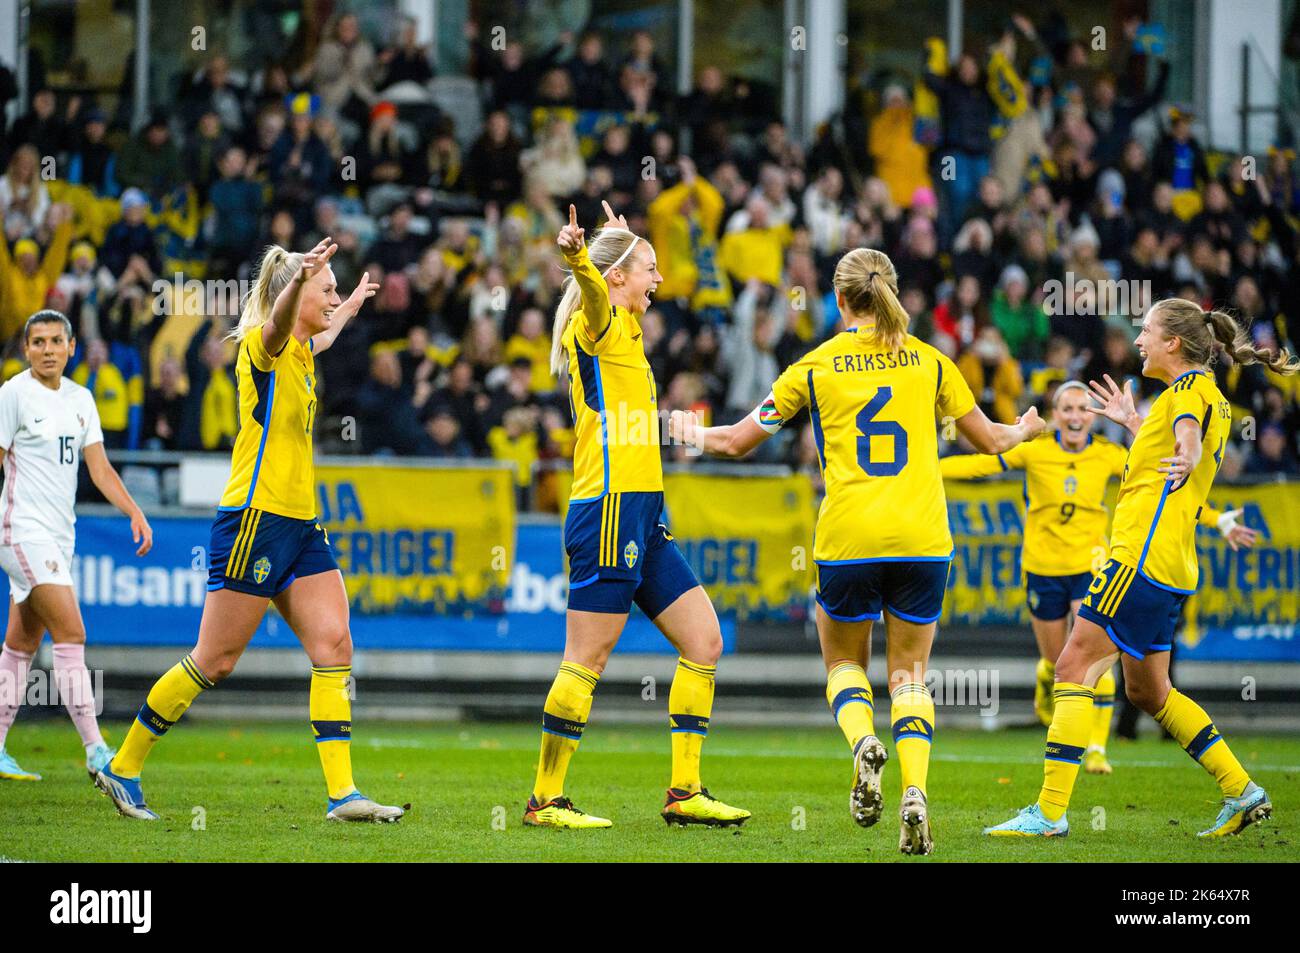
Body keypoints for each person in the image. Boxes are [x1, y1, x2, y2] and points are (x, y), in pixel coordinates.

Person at [671, 247, 1046, 854]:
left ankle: (862, 743)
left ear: (840, 299)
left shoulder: (814, 366)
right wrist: (1025, 429)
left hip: (848, 538)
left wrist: (687, 430)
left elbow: (740, 440)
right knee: (910, 675)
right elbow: (992, 440)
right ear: (893, 291)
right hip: (923, 540)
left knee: (844, 668)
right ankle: (916, 790)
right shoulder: (931, 361)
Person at [94, 240, 399, 823]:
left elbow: (321, 332)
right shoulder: (264, 345)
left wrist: (353, 301)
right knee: (215, 659)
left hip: (300, 524)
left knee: (335, 645)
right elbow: (282, 321)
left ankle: (343, 794)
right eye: (326, 289)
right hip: (253, 520)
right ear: (294, 295)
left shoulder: (306, 349)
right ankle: (123, 766)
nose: (333, 297)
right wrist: (298, 287)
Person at [986, 298, 1298, 839]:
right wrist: (1135, 423)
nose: (1138, 341)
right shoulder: (1210, 397)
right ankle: (1241, 789)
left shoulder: (1185, 394)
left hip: (1137, 561)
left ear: (1173, 343)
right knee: (1149, 692)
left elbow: (1186, 438)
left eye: (1147, 331)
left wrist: (1188, 449)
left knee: (1071, 668)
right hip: (1172, 567)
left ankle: (1049, 813)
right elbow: (1171, 461)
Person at [524, 202, 750, 830]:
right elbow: (593, 295)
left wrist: (618, 246)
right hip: (607, 510)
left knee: (704, 641)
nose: (659, 281)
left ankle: (685, 792)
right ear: (617, 277)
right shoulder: (598, 323)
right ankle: (545, 801)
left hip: (643, 514)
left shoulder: (626, 332)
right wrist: (577, 256)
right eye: (649, 269)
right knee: (586, 660)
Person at [940, 381, 1256, 774]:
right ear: (1055, 416)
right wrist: (922, 470)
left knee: (1089, 659)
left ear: (1091, 417)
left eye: (1081, 409)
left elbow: (1164, 477)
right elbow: (977, 464)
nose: (1075, 416)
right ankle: (1046, 682)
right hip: (1041, 567)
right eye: (1067, 409)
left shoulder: (1108, 454)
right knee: (1056, 662)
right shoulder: (1035, 451)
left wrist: (1216, 518)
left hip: (1091, 566)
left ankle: (1096, 750)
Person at [0, 311, 153, 782]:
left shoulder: (82, 398)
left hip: (58, 537)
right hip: (21, 531)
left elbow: (101, 470)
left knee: (21, 643)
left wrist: (134, 510)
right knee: (72, 633)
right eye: (38, 342)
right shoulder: (13, 394)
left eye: (55, 341)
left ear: (71, 348)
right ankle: (95, 749)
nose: (47, 349)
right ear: (26, 350)